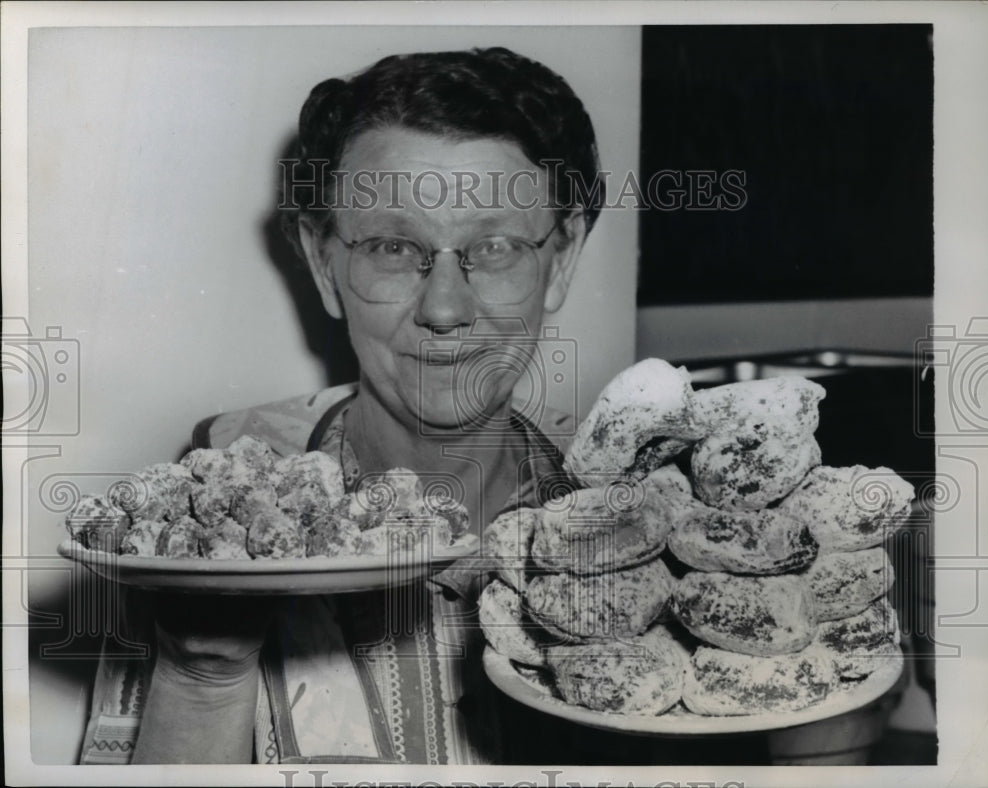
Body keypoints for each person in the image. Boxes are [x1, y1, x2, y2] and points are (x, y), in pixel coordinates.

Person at [79, 46, 604, 764]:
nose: (446, 310)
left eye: (495, 248)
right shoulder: (213, 497)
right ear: (325, 264)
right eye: (392, 247)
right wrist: (203, 674)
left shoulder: (627, 521)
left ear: (562, 258)